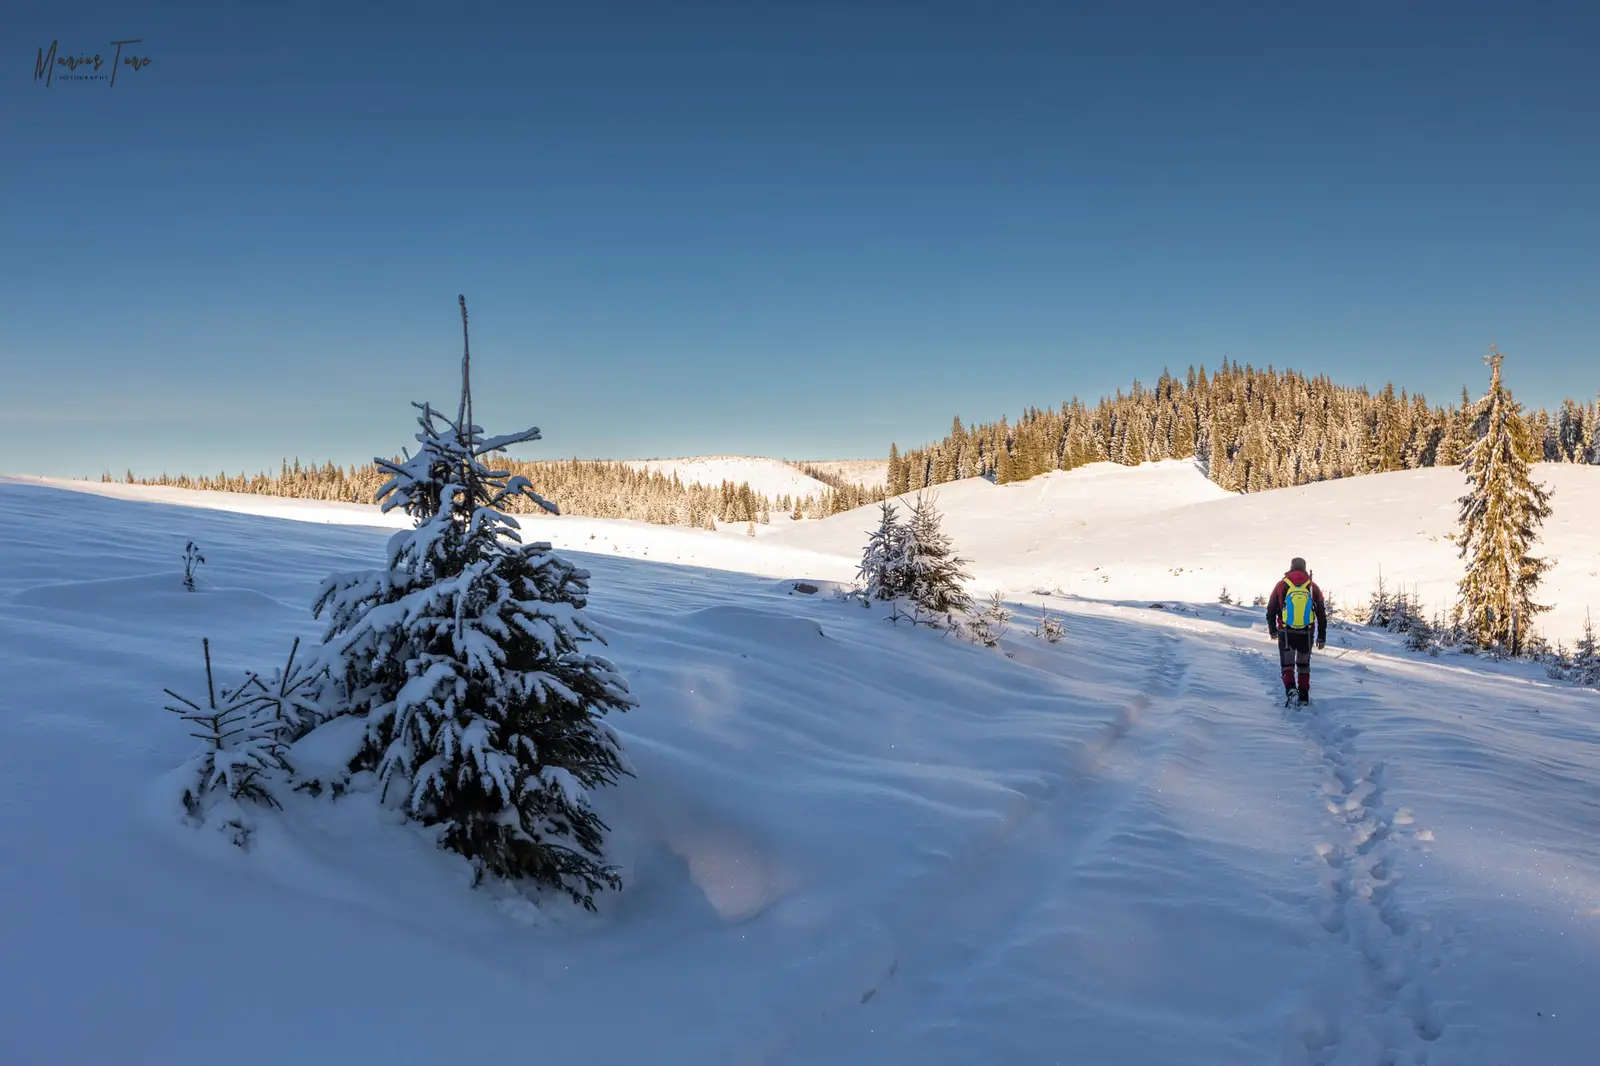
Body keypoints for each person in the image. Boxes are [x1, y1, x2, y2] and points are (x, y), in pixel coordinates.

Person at [1266, 557, 1327, 704]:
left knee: (1287, 665)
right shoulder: (1313, 587)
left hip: (1286, 632)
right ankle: (1304, 695)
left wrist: (1273, 630)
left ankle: (1291, 691)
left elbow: (1271, 609)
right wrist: (1321, 637)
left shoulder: (1281, 585)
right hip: (1307, 633)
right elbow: (1321, 614)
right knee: (1303, 665)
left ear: (1291, 567)